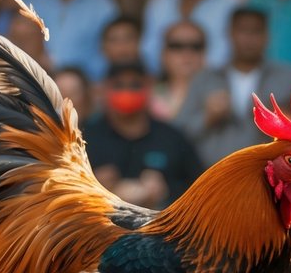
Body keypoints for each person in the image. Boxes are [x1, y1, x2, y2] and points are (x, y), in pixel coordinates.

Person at [173, 6, 291, 167]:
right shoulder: (205, 78)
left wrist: (282, 123)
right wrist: (207, 118)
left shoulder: (289, 77)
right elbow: (177, 133)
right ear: (229, 34)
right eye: (243, 31)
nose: (249, 38)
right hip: (213, 176)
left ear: (267, 36)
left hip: (271, 177)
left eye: (256, 31)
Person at [84, 62, 203, 210]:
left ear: (148, 87)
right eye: (119, 85)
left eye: (135, 85)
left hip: (162, 226)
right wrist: (95, 187)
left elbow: (200, 191)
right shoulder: (85, 139)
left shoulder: (172, 138)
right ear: (105, 89)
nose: (126, 92)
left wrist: (166, 191)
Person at [21, 0, 119, 81]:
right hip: (36, 83)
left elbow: (113, 50)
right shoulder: (29, 0)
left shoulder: (103, 4)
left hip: (89, 86)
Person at [150, 21, 206, 122]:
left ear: (204, 55)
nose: (187, 53)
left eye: (195, 46)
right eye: (176, 46)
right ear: (163, 54)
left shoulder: (217, 95)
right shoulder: (147, 95)